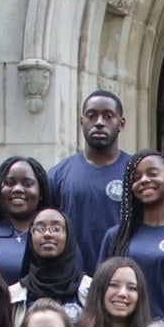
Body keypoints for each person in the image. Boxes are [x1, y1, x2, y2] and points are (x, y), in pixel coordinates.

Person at [50, 89, 133, 270]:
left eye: (108, 116)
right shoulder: (58, 175)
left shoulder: (136, 172)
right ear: (82, 122)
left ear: (121, 123)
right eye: (92, 116)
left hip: (121, 279)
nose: (99, 123)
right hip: (72, 280)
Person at [103, 149, 164, 313]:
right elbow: (102, 292)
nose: (144, 180)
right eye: (136, 178)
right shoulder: (116, 236)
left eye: (152, 174)